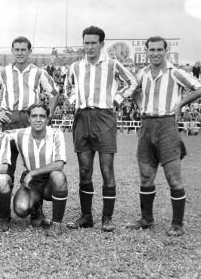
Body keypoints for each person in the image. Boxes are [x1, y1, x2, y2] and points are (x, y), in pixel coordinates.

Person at [64, 26, 138, 232]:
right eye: (86, 43)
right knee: (85, 169)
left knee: (107, 169)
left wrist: (115, 99)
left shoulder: (113, 65)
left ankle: (107, 217)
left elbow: (132, 82)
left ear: (101, 44)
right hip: (82, 117)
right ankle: (86, 216)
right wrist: (74, 101)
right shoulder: (76, 66)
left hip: (104, 117)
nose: (89, 47)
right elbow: (67, 88)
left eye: (93, 43)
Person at [127, 36, 201, 236]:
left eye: (159, 49)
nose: (155, 53)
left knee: (173, 177)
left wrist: (179, 104)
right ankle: (146, 219)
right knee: (145, 176)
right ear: (147, 51)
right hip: (146, 125)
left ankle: (177, 224)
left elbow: (198, 88)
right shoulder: (141, 73)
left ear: (165, 51)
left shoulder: (175, 72)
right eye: (152, 50)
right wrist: (140, 104)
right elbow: (133, 90)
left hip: (167, 125)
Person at [0, 36, 58, 227]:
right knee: (7, 168)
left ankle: (36, 212)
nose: (19, 53)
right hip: (9, 121)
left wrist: (46, 117)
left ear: (29, 51)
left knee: (34, 166)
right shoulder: (3, 72)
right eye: (16, 49)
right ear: (12, 51)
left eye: (23, 49)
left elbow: (54, 93)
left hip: (29, 121)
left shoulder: (39, 73)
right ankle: (4, 216)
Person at [6, 104, 68, 236]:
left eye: (42, 116)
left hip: (48, 181)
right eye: (34, 116)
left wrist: (33, 173)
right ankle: (36, 208)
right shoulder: (20, 134)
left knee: (59, 176)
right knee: (20, 209)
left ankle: (57, 224)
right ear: (28, 118)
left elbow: (59, 164)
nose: (38, 119)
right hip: (32, 183)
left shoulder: (56, 134)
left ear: (47, 118)